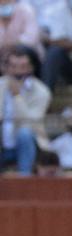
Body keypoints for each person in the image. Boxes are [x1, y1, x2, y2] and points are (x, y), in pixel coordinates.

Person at [1, 44, 47, 174]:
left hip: (28, 145)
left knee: (25, 134)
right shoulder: (1, 86)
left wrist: (17, 97)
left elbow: (31, 123)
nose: (17, 72)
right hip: (2, 145)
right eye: (13, 67)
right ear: (6, 68)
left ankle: (24, 179)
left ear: (31, 68)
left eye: (22, 67)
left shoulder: (41, 91)